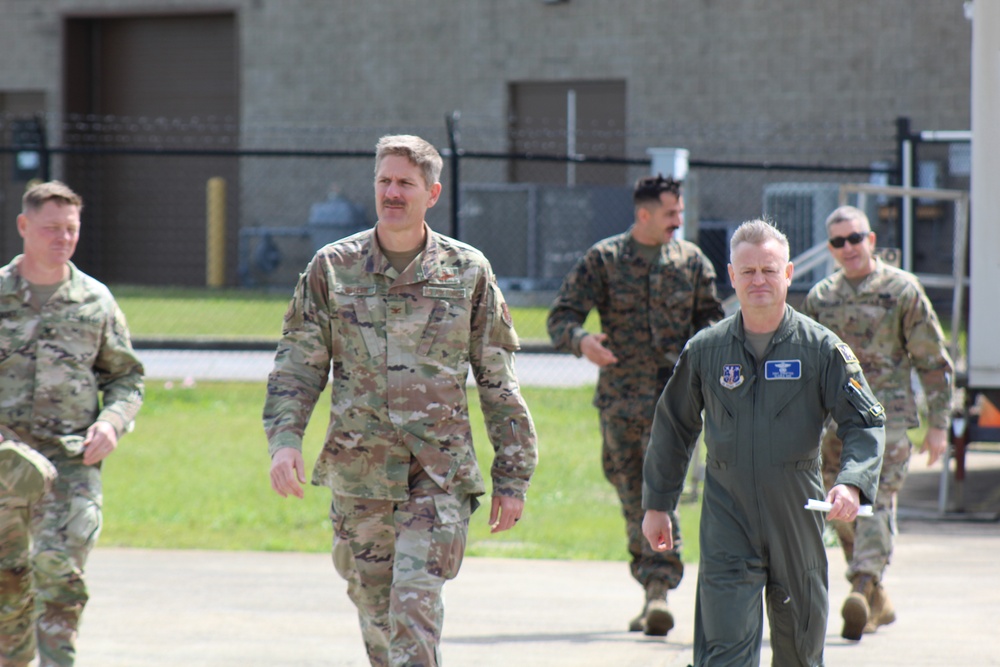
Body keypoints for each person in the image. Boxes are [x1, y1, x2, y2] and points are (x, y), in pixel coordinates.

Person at [264, 134, 538, 667]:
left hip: (436, 473)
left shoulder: (467, 271)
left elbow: (498, 380)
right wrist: (285, 439)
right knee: (378, 617)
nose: (393, 192)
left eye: (405, 183)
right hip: (359, 470)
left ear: (431, 193)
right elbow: (298, 364)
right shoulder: (332, 267)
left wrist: (513, 475)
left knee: (414, 607)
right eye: (384, 181)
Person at [642, 219, 885, 666]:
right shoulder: (705, 351)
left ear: (788, 274)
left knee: (799, 648)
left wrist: (851, 482)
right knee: (724, 648)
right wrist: (658, 504)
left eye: (769, 270)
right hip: (727, 513)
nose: (758, 280)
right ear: (731, 276)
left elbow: (865, 421)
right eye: (748, 271)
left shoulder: (821, 350)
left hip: (796, 511)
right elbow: (673, 426)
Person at [547, 174, 723, 636]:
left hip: (677, 402)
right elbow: (561, 315)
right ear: (643, 214)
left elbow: (714, 324)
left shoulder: (691, 262)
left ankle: (659, 588)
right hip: (621, 402)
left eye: (680, 212)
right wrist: (582, 340)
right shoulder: (604, 260)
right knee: (633, 496)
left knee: (661, 492)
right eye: (670, 213)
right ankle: (652, 588)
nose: (678, 221)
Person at [0, 180, 145, 667]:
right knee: (8, 581)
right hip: (5, 463)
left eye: (71, 229)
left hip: (71, 460)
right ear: (24, 226)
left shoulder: (95, 301)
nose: (62, 238)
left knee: (61, 569)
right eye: (51, 228)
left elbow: (126, 378)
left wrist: (111, 423)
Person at [801, 205, 954, 640]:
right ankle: (877, 598)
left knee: (876, 503)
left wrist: (939, 423)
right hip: (836, 427)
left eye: (855, 238)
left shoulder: (903, 290)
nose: (848, 248)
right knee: (841, 508)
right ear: (830, 249)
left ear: (870, 240)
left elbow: (933, 361)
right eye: (838, 242)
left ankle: (862, 585)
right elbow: (810, 365)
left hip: (888, 422)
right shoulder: (821, 297)